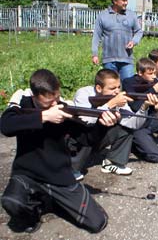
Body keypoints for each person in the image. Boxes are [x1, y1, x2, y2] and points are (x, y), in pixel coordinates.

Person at [0, 69, 119, 233]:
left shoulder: (63, 108)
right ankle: (35, 210)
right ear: (35, 97)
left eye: (56, 98)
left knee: (97, 222)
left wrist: (102, 125)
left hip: (58, 176)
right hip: (26, 174)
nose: (55, 105)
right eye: (49, 102)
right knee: (11, 202)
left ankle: (52, 200)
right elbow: (6, 126)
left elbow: (86, 139)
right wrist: (44, 117)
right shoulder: (23, 103)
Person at [73, 69, 158, 175]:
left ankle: (113, 162)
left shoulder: (118, 99)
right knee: (85, 131)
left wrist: (144, 107)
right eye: (112, 88)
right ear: (98, 88)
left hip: (98, 138)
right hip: (79, 139)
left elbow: (133, 124)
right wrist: (110, 104)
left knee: (125, 129)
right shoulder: (84, 93)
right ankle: (72, 168)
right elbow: (85, 120)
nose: (116, 91)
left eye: (118, 87)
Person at [91, 0, 143, 81]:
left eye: (127, 0)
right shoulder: (103, 15)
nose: (126, 3)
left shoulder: (131, 15)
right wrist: (94, 54)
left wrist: (134, 41)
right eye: (123, 0)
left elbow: (139, 31)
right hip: (109, 60)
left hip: (126, 60)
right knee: (109, 88)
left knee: (128, 88)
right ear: (115, 1)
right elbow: (96, 36)